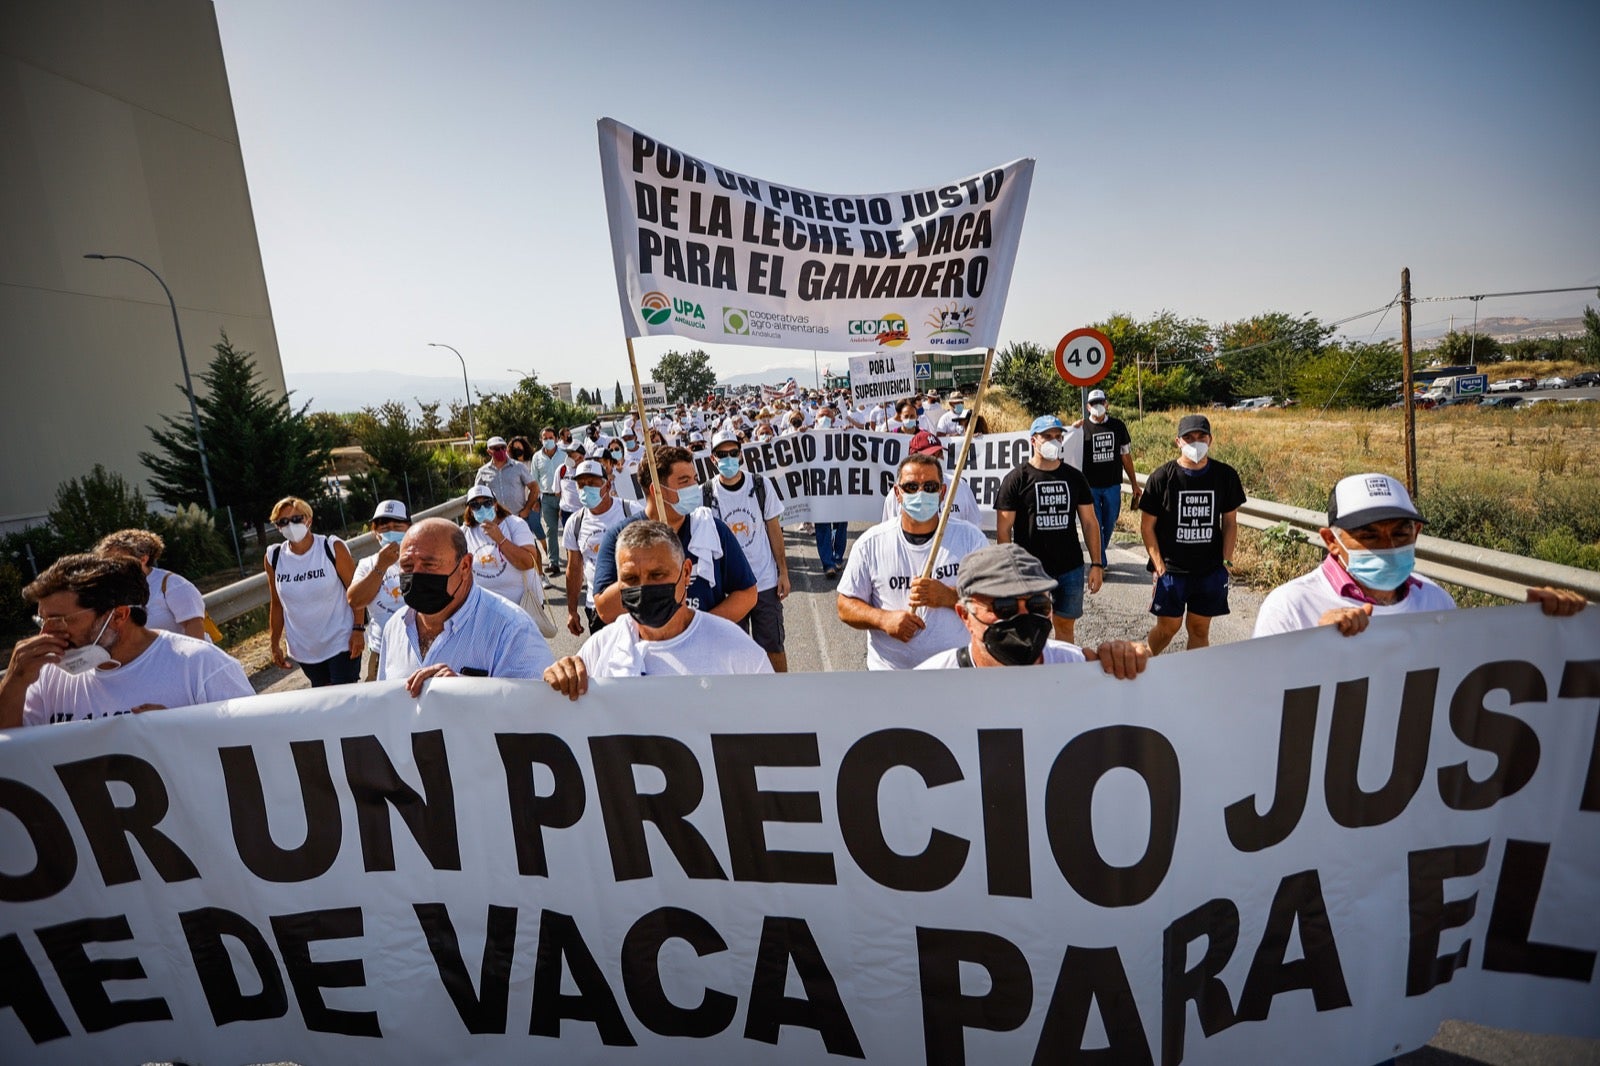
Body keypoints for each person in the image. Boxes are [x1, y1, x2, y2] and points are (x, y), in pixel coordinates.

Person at [1254, 473, 1586, 637]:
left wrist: (1539, 628)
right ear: (1331, 541)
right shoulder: (1291, 607)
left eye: (1400, 532)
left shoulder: (1437, 604)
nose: (1387, 546)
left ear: (1417, 534)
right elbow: (1259, 701)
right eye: (1368, 535)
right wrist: (1312, 646)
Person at [2, 553, 251, 728]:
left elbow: (259, 746)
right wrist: (15, 680)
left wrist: (183, 731)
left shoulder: (201, 666)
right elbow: (13, 757)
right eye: (42, 621)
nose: (45, 634)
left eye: (60, 621)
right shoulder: (44, 674)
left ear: (118, 615)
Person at [543, 520, 772, 699]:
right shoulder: (600, 649)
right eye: (631, 578)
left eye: (657, 575)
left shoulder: (736, 650)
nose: (644, 588)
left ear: (686, 573)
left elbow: (772, 721)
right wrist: (560, 679)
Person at [837, 453, 990, 670]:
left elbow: (995, 601)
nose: (920, 493)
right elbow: (845, 605)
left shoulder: (970, 538)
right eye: (911, 487)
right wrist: (882, 619)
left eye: (929, 487)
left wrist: (950, 597)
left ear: (942, 492)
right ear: (897, 493)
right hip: (891, 673)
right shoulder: (870, 543)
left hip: (956, 671)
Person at [378, 517, 554, 695]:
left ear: (465, 565)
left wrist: (468, 693)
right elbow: (384, 706)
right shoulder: (394, 628)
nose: (416, 574)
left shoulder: (513, 629)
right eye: (407, 566)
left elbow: (533, 710)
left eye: (429, 565)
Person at [915, 543, 1149, 677]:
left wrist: (1131, 665)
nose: (1024, 618)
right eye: (1004, 608)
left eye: (1038, 605)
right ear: (965, 615)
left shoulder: (1077, 667)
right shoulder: (928, 685)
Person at [590, 446, 759, 626]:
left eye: (694, 479)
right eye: (684, 481)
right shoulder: (620, 537)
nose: (694, 487)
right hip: (649, 648)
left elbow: (747, 593)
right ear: (657, 490)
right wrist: (647, 567)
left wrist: (700, 627)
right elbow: (604, 610)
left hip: (704, 647)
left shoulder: (712, 528)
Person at [1138, 414, 1246, 655]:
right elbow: (1147, 527)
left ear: (1210, 440)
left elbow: (1230, 522)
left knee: (1199, 629)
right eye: (1189, 437)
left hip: (1210, 571)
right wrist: (1158, 565)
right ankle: (1145, 661)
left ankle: (1194, 682)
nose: (1195, 442)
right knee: (1168, 628)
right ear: (1178, 441)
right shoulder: (1161, 478)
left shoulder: (1225, 475)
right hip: (1172, 570)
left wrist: (1226, 562)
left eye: (1201, 437)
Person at [995, 415, 1104, 644]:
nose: (1054, 441)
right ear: (1033, 441)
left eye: (1058, 436)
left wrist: (1096, 564)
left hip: (1070, 568)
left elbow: (1090, 522)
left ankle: (1062, 675)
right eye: (1047, 436)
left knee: (1065, 628)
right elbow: (1004, 530)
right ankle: (1036, 676)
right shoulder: (1016, 479)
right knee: (1032, 630)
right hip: (1030, 570)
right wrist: (1010, 571)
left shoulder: (1074, 477)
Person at [709, 429, 791, 671]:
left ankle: (780, 698)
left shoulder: (760, 485)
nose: (728, 459)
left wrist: (783, 572)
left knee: (773, 647)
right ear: (713, 458)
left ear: (741, 454)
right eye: (722, 454)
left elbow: (774, 531)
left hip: (764, 583)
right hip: (730, 590)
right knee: (736, 652)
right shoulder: (706, 494)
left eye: (733, 453)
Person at [265, 496, 363, 686]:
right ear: (277, 526)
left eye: (296, 519)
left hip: (340, 641)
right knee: (324, 703)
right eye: (283, 522)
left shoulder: (331, 547)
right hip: (305, 648)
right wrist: (274, 643)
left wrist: (358, 629)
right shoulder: (274, 556)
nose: (290, 525)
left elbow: (356, 593)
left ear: (308, 519)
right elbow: (277, 603)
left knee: (344, 700)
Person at [562, 459, 639, 635]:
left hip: (633, 604)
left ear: (607, 484)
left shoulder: (631, 511)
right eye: (581, 484)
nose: (586, 489)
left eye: (592, 483)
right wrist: (572, 611)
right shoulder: (575, 523)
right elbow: (573, 569)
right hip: (597, 607)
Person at [94, 528, 208, 640]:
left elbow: (194, 627)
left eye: (118, 559)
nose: (112, 565)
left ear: (143, 559)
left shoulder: (173, 584)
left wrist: (189, 659)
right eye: (107, 561)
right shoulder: (112, 590)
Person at [1072, 388, 1140, 561]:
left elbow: (1125, 456)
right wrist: (1071, 431)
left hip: (1112, 485)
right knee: (1094, 524)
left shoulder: (1118, 426)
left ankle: (1100, 551)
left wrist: (1134, 483)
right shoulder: (1081, 429)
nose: (1097, 406)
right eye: (1094, 403)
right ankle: (1100, 562)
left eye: (1100, 402)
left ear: (1106, 404)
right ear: (1088, 407)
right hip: (1090, 487)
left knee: (1109, 522)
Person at [346, 499, 410, 681]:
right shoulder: (368, 564)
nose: (391, 531)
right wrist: (381, 567)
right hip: (383, 650)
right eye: (384, 528)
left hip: (420, 647)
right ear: (376, 533)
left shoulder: (421, 557)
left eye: (397, 526)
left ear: (409, 528)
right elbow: (355, 600)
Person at [461, 483, 543, 613]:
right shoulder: (465, 533)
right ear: (470, 510)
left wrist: (501, 539)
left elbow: (528, 563)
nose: (482, 508)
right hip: (489, 611)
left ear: (495, 504)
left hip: (522, 606)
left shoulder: (515, 524)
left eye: (487, 503)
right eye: (475, 505)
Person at [882, 431, 982, 527]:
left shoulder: (959, 486)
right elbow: (890, 534)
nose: (935, 460)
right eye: (929, 457)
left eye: (938, 454)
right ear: (912, 458)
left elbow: (975, 526)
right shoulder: (898, 493)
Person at [475, 435, 537, 524]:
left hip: (518, 518)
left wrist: (527, 510)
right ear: (489, 451)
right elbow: (477, 495)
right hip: (495, 520)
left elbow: (534, 488)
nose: (500, 451)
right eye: (496, 449)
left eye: (503, 448)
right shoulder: (483, 472)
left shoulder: (518, 467)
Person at [531, 425, 565, 576]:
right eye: (545, 438)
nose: (548, 441)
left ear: (556, 439)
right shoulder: (537, 457)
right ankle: (554, 562)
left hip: (564, 497)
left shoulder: (564, 455)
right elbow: (534, 480)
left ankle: (575, 563)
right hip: (546, 498)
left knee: (569, 529)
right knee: (551, 530)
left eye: (551, 438)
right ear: (541, 440)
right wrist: (536, 500)